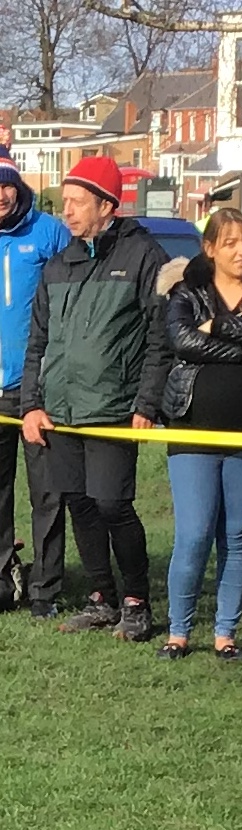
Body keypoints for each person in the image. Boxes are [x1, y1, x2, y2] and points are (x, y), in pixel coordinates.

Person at [21, 157, 171, 641]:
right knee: (79, 504)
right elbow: (38, 342)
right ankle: (101, 598)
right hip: (59, 412)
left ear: (107, 205)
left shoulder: (143, 254)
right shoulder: (60, 262)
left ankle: (136, 601)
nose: (66, 211)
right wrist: (31, 404)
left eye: (77, 202)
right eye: (64, 201)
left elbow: (160, 338)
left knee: (112, 505)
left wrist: (146, 404)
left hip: (112, 410)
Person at [156, 207, 242, 660]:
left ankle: (225, 634)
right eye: (231, 242)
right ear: (210, 248)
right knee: (194, 533)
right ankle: (178, 632)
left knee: (236, 535)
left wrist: (218, 326)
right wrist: (241, 351)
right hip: (192, 428)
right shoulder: (185, 289)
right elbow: (181, 340)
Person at [0, 148, 69, 615]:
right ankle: (4, 580)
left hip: (36, 388)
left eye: (6, 184)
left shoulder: (47, 233)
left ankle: (46, 588)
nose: (0, 195)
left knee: (47, 491)